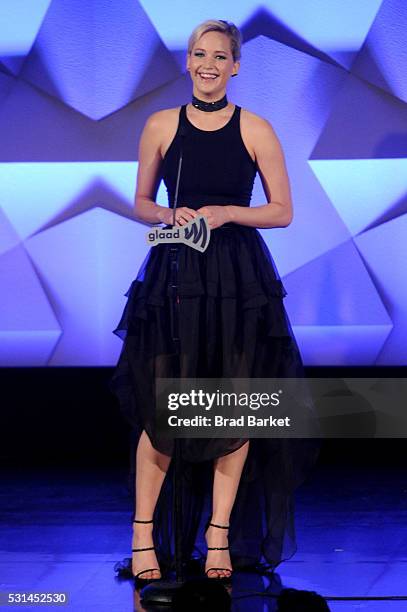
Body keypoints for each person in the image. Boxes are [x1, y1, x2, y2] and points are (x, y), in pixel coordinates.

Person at [109, 19, 319, 585]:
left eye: (220, 56)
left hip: (237, 276)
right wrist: (164, 213)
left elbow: (282, 211)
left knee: (234, 400)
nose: (209, 64)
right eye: (200, 54)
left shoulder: (257, 129)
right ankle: (142, 533)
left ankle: (218, 533)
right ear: (188, 61)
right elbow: (140, 202)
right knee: (164, 403)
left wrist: (227, 213)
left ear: (236, 66)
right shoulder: (158, 125)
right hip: (175, 270)